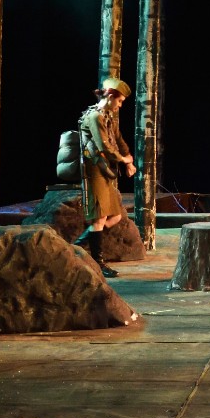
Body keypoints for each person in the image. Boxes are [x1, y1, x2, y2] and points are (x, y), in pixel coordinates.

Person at [79, 77, 136, 278]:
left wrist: (128, 160)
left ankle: (79, 245)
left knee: (116, 216)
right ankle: (98, 262)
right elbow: (104, 147)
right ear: (111, 96)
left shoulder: (107, 116)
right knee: (99, 218)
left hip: (104, 172)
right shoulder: (95, 117)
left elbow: (118, 140)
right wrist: (123, 159)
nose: (120, 105)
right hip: (94, 170)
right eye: (119, 101)